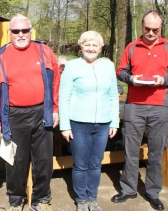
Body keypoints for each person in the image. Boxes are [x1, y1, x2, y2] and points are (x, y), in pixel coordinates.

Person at [112, 10, 168, 210]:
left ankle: (153, 192)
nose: (151, 33)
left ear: (160, 28)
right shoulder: (132, 47)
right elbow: (120, 71)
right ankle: (128, 189)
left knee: (155, 151)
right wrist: (131, 79)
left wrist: (165, 80)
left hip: (159, 105)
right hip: (134, 105)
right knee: (130, 150)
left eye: (156, 29)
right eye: (147, 28)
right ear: (142, 26)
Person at [0, 14, 60, 211]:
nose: (21, 34)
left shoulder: (44, 51)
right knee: (15, 160)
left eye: (25, 30)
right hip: (13, 114)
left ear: (31, 31)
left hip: (42, 113)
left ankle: (42, 199)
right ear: (9, 33)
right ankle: (16, 200)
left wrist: (55, 109)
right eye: (16, 31)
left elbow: (55, 82)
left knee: (44, 159)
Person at [59, 31, 119, 211]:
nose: (91, 48)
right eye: (87, 44)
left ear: (100, 48)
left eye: (95, 45)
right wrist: (65, 125)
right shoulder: (72, 67)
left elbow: (113, 96)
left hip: (102, 123)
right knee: (80, 164)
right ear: (81, 46)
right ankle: (82, 199)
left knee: (95, 163)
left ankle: (92, 197)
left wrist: (114, 121)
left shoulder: (108, 67)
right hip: (78, 123)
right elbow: (64, 96)